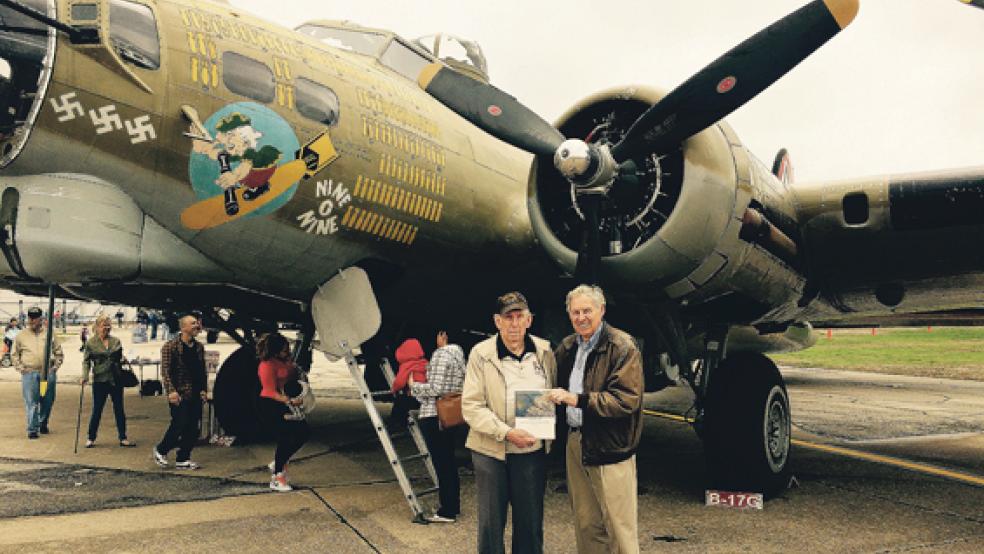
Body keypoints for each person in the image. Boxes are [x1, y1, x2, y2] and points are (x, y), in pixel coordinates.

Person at [547, 285, 644, 554]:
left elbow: (626, 400)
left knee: (620, 529)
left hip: (611, 447)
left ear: (601, 310)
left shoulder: (622, 346)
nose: (581, 317)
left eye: (587, 310)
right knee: (586, 523)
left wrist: (577, 399)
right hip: (576, 442)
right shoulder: (567, 347)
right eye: (575, 312)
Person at [461, 292, 556, 554]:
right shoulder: (481, 354)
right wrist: (506, 432)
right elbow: (471, 406)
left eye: (520, 317)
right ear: (497, 321)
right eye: (508, 317)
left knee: (530, 522)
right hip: (491, 451)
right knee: (491, 524)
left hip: (530, 451)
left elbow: (552, 391)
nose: (514, 324)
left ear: (529, 320)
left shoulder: (544, 351)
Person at [409, 331, 466, 524]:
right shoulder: (459, 356)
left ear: (442, 335)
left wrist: (414, 386)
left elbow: (436, 389)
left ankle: (447, 511)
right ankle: (452, 505)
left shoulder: (441, 354)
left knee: (442, 464)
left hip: (435, 415)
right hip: (449, 415)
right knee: (448, 462)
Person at [257, 332, 310, 492]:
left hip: (286, 402)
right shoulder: (267, 365)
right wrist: (289, 401)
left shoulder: (285, 361)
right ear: (274, 351)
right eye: (284, 349)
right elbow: (269, 391)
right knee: (285, 438)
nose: (288, 351)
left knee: (304, 432)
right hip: (271, 405)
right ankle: (277, 476)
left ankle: (279, 461)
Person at [153, 314, 208, 469]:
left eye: (197, 323)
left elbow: (201, 371)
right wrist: (171, 391)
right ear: (183, 328)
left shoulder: (199, 347)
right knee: (180, 423)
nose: (197, 326)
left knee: (193, 428)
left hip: (196, 393)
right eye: (193, 324)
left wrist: (204, 389)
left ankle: (183, 459)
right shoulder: (170, 347)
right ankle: (161, 449)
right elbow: (165, 371)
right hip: (179, 393)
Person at [81, 315, 134, 448]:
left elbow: (119, 356)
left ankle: (123, 437)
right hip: (100, 379)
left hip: (115, 379)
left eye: (108, 325)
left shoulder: (116, 341)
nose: (107, 328)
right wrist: (85, 375)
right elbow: (86, 361)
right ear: (97, 327)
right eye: (104, 325)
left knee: (119, 409)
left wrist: (122, 359)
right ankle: (91, 437)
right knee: (97, 409)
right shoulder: (91, 343)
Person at [13, 307, 63, 438]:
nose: (32, 320)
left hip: (46, 374)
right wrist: (21, 368)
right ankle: (32, 429)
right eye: (30, 317)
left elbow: (58, 352)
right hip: (30, 373)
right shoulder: (21, 335)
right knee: (31, 402)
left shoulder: (49, 334)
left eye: (35, 317)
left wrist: (55, 367)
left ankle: (42, 422)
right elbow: (14, 354)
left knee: (47, 400)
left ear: (41, 318)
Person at [389, 338, 427, 431]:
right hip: (426, 399)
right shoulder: (425, 363)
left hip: (414, 397)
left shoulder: (407, 365)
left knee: (400, 401)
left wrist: (394, 389)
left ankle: (396, 423)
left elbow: (400, 382)